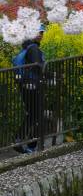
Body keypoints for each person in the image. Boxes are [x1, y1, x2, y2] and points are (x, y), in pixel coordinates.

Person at [13, 25, 46, 154]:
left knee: (32, 115)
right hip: (33, 86)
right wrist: (50, 76)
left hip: (25, 86)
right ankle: (29, 145)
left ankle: (20, 140)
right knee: (37, 116)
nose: (40, 35)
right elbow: (38, 67)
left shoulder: (27, 48)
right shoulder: (34, 49)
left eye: (42, 32)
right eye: (37, 32)